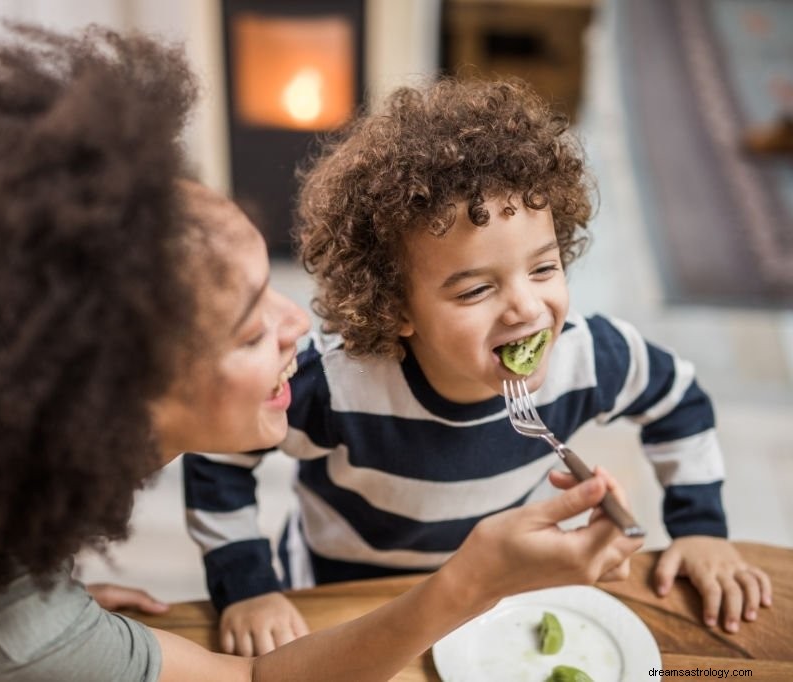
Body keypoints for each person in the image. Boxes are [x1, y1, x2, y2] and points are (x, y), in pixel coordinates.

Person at [0, 22, 642, 682]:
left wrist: (51, 593)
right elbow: (261, 679)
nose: (301, 326)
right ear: (114, 401)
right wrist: (470, 582)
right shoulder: (1, 630)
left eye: (272, 290)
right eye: (252, 328)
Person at [183, 77, 774, 656]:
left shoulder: (587, 359)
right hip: (342, 598)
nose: (525, 306)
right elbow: (219, 454)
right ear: (396, 306)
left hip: (500, 601)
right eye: (474, 291)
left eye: (543, 269)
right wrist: (247, 586)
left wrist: (699, 528)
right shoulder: (337, 385)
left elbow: (679, 399)